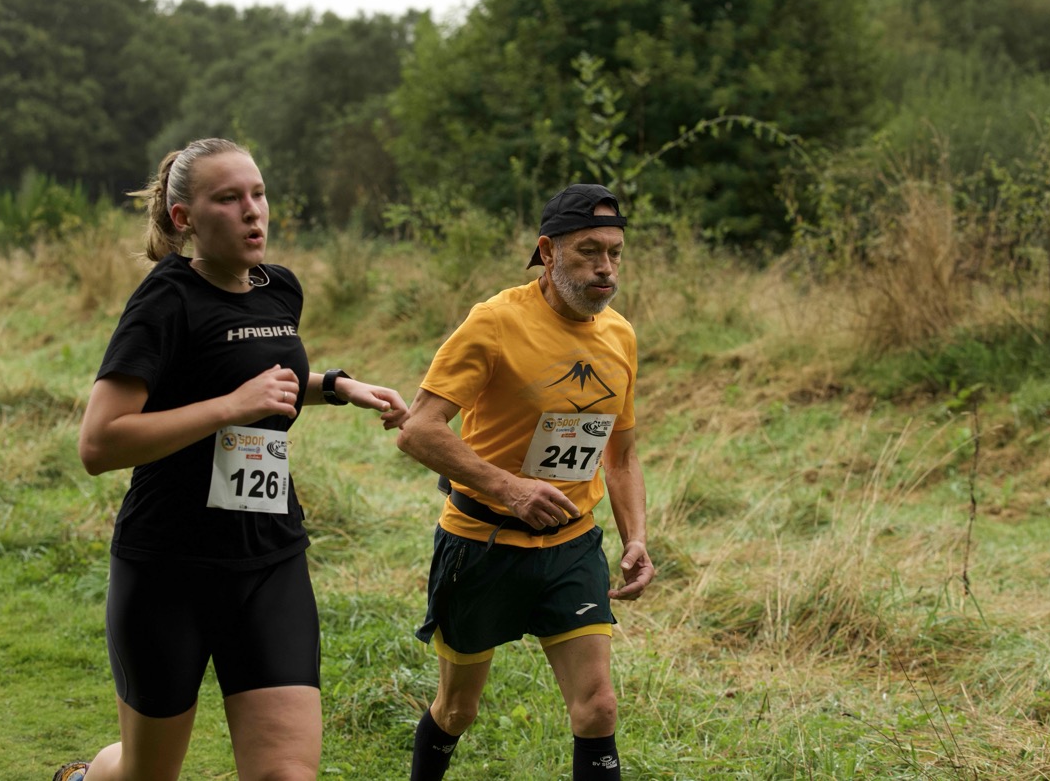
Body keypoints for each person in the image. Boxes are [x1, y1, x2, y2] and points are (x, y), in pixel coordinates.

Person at [51, 137, 408, 781]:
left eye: (259, 194)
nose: (253, 211)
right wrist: (229, 407)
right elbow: (99, 444)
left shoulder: (280, 288)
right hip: (169, 567)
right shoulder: (165, 301)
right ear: (184, 217)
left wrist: (337, 386)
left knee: (286, 774)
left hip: (269, 558)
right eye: (228, 198)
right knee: (144, 774)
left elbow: (256, 377)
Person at [396, 183, 656, 780]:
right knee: (458, 710)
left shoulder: (620, 335)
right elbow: (418, 430)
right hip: (481, 544)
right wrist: (509, 489)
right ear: (547, 251)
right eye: (589, 251)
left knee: (598, 707)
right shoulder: (494, 322)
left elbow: (620, 454)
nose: (606, 267)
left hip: (572, 545)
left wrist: (636, 537)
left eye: (615, 252)